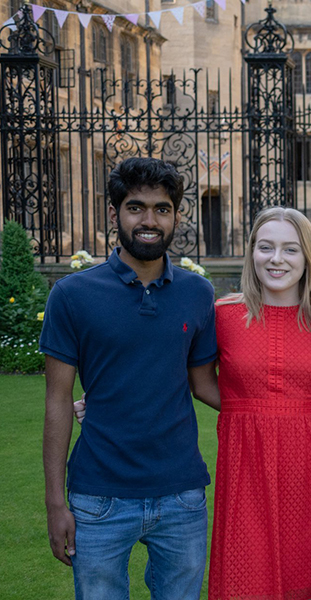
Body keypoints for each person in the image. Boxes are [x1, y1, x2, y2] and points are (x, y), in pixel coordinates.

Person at [40, 157, 220, 599]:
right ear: (115, 213)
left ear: (176, 216)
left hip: (182, 495)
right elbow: (59, 402)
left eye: (162, 209)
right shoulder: (72, 295)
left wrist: (283, 405)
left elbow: (203, 385)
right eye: (136, 207)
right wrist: (54, 502)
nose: (149, 220)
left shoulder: (197, 293)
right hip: (98, 497)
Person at [207, 207, 311, 600]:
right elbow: (182, 375)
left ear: (308, 258)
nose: (277, 259)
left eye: (290, 249)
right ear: (252, 252)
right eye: (266, 247)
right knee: (245, 577)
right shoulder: (224, 315)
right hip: (245, 461)